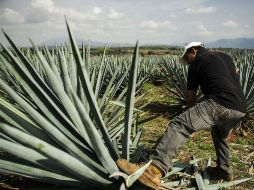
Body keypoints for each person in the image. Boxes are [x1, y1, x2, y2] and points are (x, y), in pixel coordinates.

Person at [117, 42, 247, 190]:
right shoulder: (225, 56)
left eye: (187, 58)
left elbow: (191, 96)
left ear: (193, 50)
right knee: (219, 134)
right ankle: (225, 170)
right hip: (240, 108)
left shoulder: (197, 62)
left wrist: (191, 119)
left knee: (180, 124)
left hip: (220, 103)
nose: (187, 62)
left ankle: (153, 170)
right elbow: (233, 75)